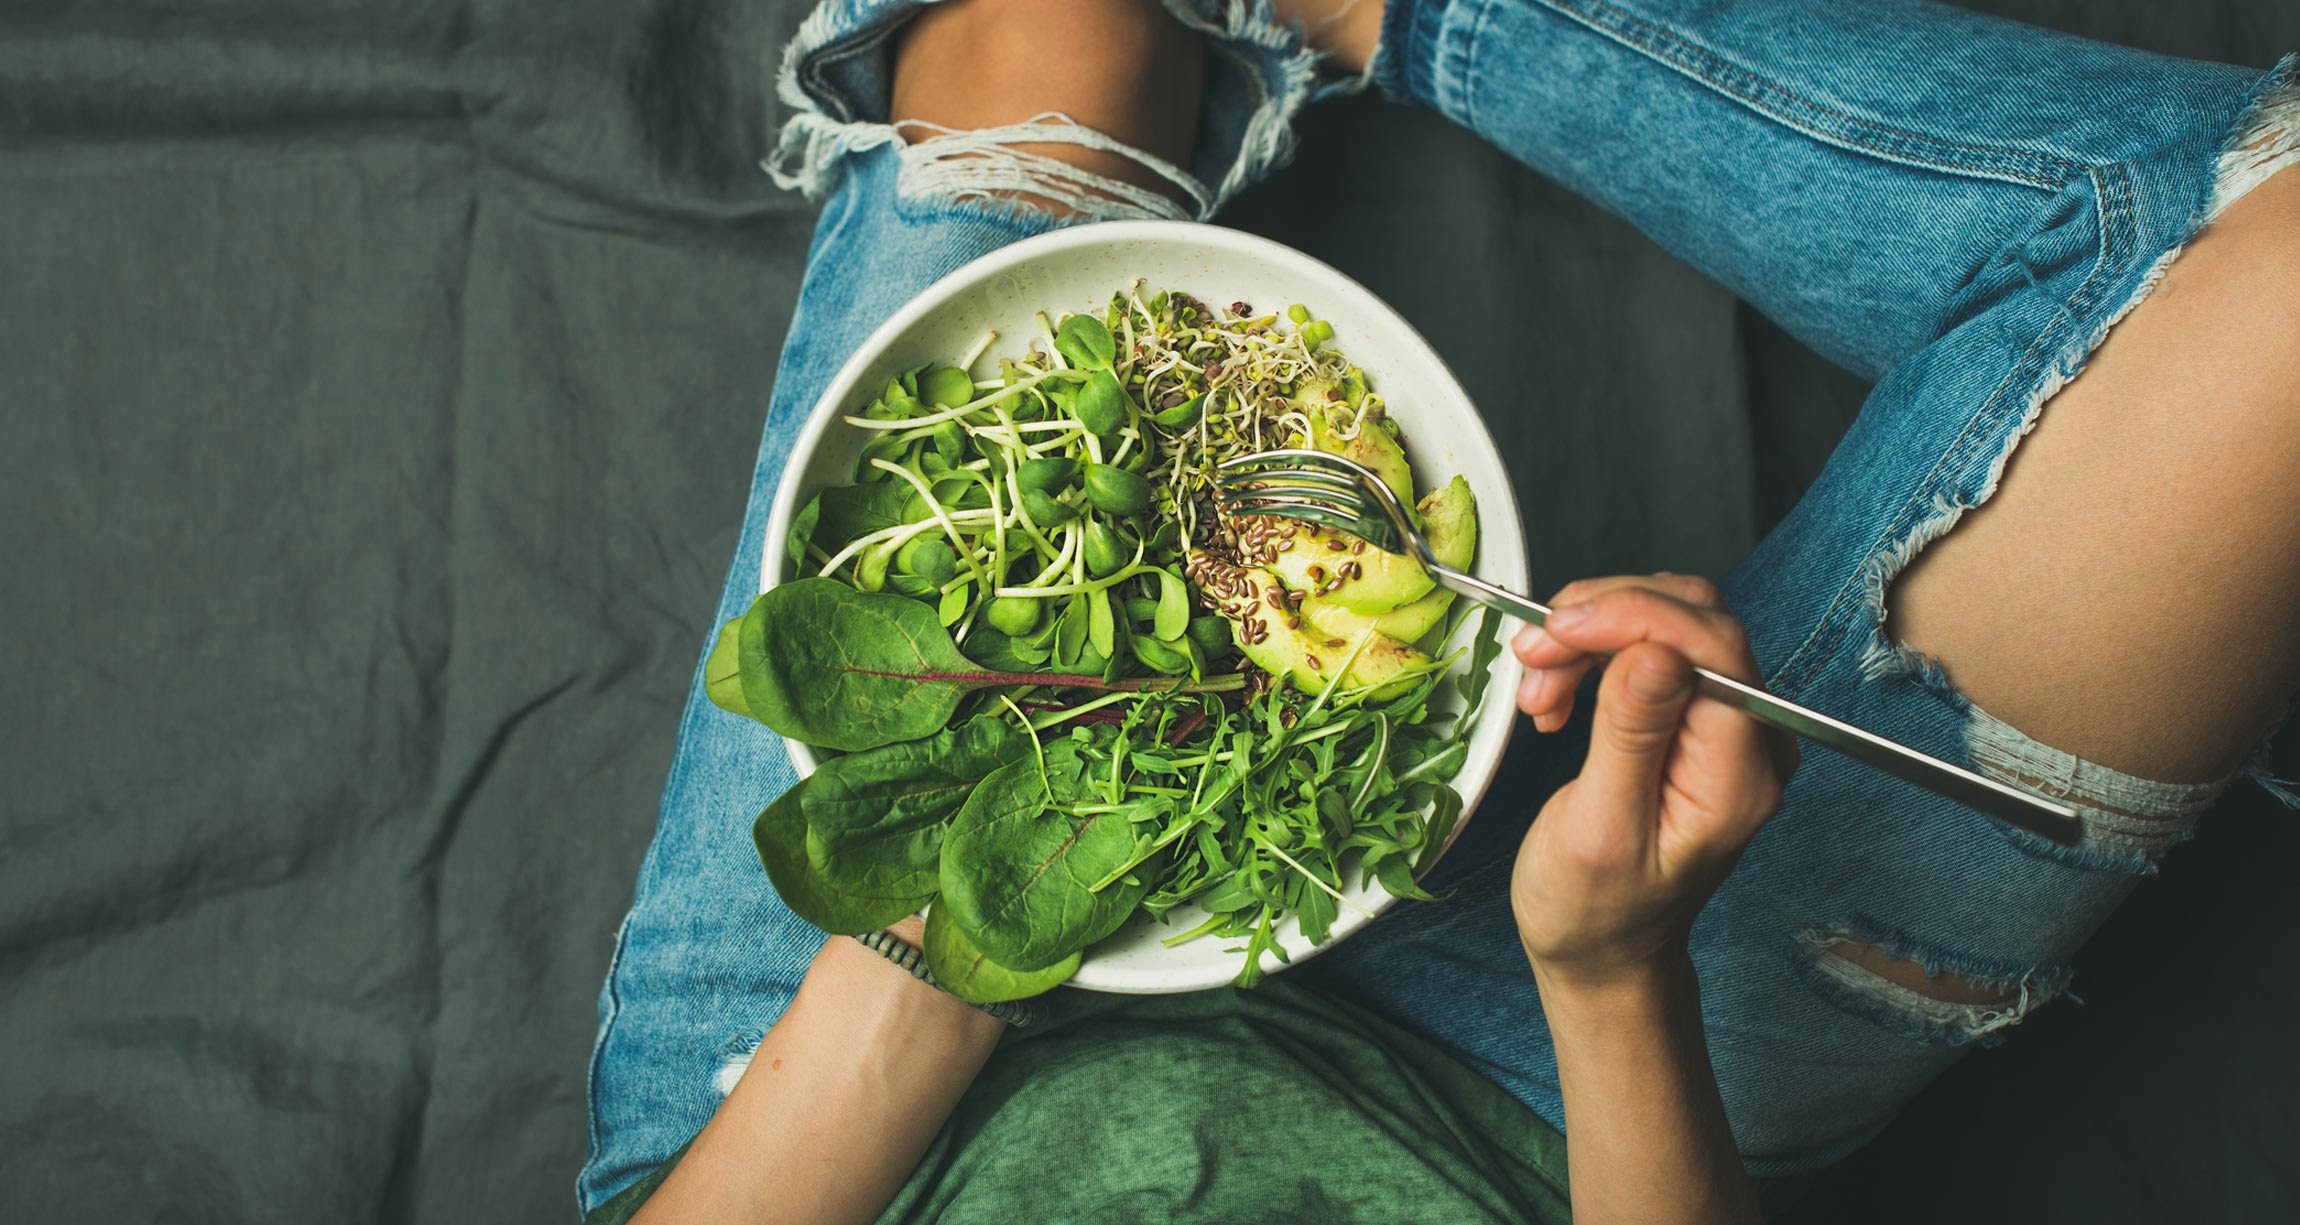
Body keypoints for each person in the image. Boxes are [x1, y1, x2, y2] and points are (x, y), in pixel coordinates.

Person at [577, 1, 2300, 1220]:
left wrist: (934, 932)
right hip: (1538, 1115)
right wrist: (1613, 972)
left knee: (1049, 34)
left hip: (827, 1110)